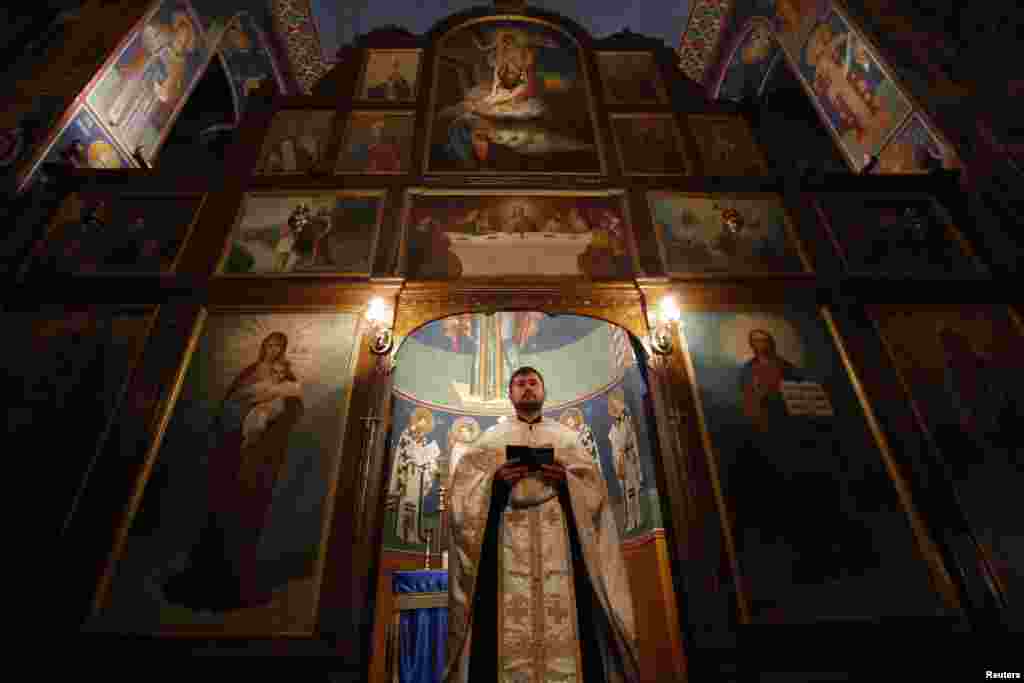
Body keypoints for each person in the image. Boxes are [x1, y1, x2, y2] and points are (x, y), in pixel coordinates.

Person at [446, 367, 640, 683]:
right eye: (520, 384)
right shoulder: (490, 440)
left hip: (562, 552)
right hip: (505, 552)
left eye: (533, 383)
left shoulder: (567, 439)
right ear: (510, 394)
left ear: (544, 391)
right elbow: (461, 501)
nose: (526, 389)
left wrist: (567, 482)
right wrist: (494, 483)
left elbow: (595, 497)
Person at [162, 332, 304, 611]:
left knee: (247, 514)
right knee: (219, 511)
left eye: (279, 346)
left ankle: (237, 577)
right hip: (233, 454)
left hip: (259, 460)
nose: (273, 350)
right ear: (264, 346)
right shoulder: (249, 374)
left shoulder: (287, 381)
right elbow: (227, 406)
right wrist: (245, 413)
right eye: (270, 344)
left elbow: (292, 413)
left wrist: (271, 412)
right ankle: (203, 573)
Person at [608, 387, 644, 531]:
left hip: (628, 459)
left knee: (632, 490)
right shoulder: (615, 426)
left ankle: (636, 519)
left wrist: (631, 459)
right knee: (627, 492)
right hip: (621, 461)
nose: (613, 406)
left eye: (614, 403)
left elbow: (629, 442)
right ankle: (632, 520)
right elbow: (615, 446)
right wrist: (617, 461)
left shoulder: (626, 420)